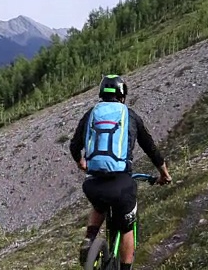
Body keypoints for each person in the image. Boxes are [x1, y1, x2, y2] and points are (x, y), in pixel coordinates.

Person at [69, 74, 172, 270]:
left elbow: (74, 145)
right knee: (126, 228)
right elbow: (151, 149)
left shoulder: (91, 114)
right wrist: (164, 174)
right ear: (122, 95)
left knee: (99, 205)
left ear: (101, 94)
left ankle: (90, 238)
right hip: (121, 184)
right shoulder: (130, 116)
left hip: (93, 184)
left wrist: (81, 162)